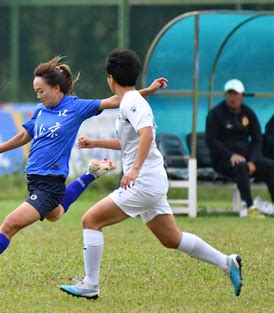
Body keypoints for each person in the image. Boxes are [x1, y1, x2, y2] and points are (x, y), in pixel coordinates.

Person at [0, 56, 167, 285]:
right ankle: (90, 174)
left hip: (50, 184)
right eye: (36, 92)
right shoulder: (40, 110)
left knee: (9, 225)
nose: (39, 96)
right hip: (34, 181)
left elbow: (117, 100)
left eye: (42, 91)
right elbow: (25, 135)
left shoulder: (76, 107)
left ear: (56, 88)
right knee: (54, 214)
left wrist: (147, 90)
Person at [59, 49, 243, 299]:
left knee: (91, 220)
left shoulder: (132, 102)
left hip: (143, 182)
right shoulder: (131, 101)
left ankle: (90, 284)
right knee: (171, 239)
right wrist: (95, 142)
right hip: (152, 181)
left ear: (110, 78)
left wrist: (134, 169)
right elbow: (132, 141)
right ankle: (227, 262)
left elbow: (147, 134)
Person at [206, 79, 274, 218]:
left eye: (236, 94)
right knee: (241, 165)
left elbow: (257, 139)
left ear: (242, 95)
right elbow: (211, 140)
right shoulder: (215, 114)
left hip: (247, 159)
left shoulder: (248, 113)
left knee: (270, 166)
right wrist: (230, 155)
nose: (233, 97)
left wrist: (253, 160)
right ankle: (250, 207)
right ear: (225, 95)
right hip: (223, 161)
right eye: (230, 94)